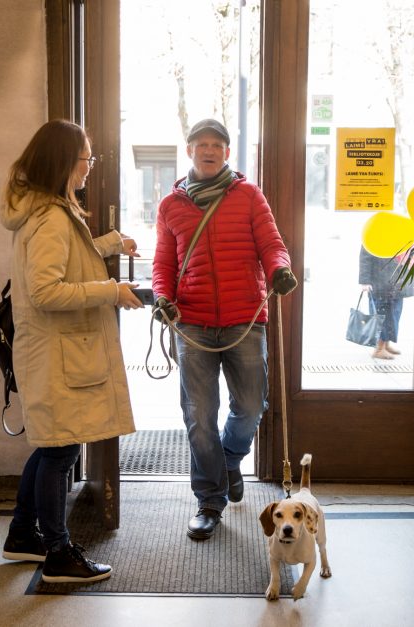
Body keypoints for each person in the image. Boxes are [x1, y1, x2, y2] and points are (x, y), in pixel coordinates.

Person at [0, 119, 143, 582]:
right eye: (85, 158)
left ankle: (23, 536)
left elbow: (67, 259)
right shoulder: (52, 218)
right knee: (60, 452)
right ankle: (59, 554)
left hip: (54, 351)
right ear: (65, 161)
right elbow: (47, 291)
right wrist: (112, 291)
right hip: (57, 354)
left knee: (50, 446)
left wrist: (110, 244)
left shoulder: (47, 211)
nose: (88, 168)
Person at [152, 118, 297, 540]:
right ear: (190, 150)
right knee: (199, 416)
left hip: (244, 317)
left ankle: (230, 460)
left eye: (217, 144)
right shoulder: (170, 206)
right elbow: (163, 264)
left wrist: (280, 270)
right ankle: (209, 500)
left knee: (251, 406)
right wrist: (163, 298)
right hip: (192, 323)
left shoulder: (248, 195)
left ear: (228, 152)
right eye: (202, 144)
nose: (210, 150)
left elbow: (272, 244)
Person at [358, 247, 414, 359]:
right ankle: (379, 348)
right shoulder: (373, 235)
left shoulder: (398, 233)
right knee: (382, 315)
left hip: (396, 282)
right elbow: (365, 259)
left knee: (393, 316)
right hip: (379, 281)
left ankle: (386, 344)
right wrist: (365, 281)